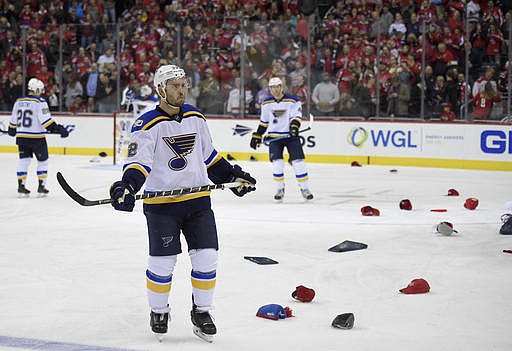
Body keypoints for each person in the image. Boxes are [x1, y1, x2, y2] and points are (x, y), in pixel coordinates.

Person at [109, 64, 256, 342]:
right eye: (174, 85)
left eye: (183, 84)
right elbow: (139, 164)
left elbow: (209, 157)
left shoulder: (196, 117)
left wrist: (233, 176)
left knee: (207, 257)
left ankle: (201, 311)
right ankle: (159, 310)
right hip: (162, 206)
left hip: (198, 201)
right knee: (163, 262)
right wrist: (127, 186)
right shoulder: (146, 125)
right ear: (160, 89)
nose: (181, 90)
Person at [250, 77, 313, 202]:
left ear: (281, 87)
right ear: (270, 89)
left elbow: (296, 116)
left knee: (298, 163)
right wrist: (257, 135)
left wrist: (294, 128)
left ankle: (305, 189)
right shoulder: (266, 103)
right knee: (277, 164)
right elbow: (264, 122)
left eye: (277, 86)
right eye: (272, 87)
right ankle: (279, 189)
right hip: (274, 138)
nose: (275, 90)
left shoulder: (293, 100)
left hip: (291, 137)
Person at [7, 78, 69, 196]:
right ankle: (41, 186)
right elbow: (46, 122)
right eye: (40, 90)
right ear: (36, 90)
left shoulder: (18, 101)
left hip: (21, 138)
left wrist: (11, 130)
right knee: (43, 161)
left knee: (23, 161)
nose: (41, 92)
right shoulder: (40, 102)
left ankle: (21, 186)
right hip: (37, 139)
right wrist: (58, 129)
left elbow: (13, 122)